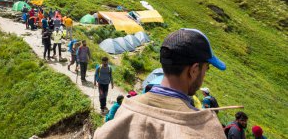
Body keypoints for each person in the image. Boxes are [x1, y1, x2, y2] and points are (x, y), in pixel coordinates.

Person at [93, 28, 227, 139]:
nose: (204, 74)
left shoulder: (125, 111)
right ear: (194, 70)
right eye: (206, 68)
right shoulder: (207, 129)